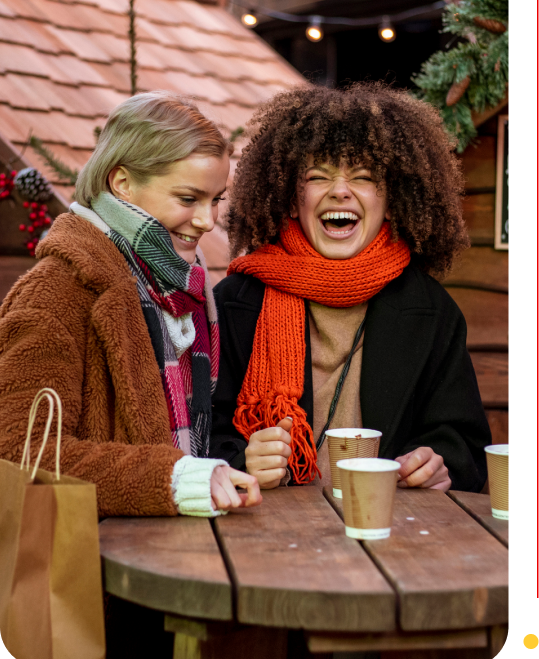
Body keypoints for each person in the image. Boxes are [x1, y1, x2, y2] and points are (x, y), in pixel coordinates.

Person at [209, 82, 491, 493]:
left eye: (362, 176)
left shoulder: (432, 311)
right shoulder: (234, 303)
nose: (340, 190)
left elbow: (464, 442)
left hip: (393, 534)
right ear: (292, 201)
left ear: (391, 202)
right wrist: (241, 458)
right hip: (264, 538)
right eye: (319, 176)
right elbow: (196, 436)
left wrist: (438, 465)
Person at [0, 91, 261, 519]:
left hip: (181, 547)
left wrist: (239, 460)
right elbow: (17, 450)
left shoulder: (186, 288)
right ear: (122, 183)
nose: (207, 221)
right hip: (96, 562)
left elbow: (194, 439)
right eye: (187, 199)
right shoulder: (56, 290)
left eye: (215, 200)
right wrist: (173, 478)